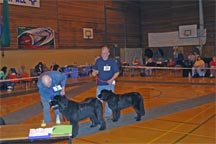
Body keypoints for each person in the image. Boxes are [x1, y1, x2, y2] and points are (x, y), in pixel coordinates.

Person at [92, 45, 119, 118]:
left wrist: (111, 79)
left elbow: (117, 72)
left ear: (108, 53)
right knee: (98, 100)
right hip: (100, 85)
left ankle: (108, 114)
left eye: (104, 53)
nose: (103, 54)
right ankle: (99, 115)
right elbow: (95, 70)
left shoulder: (112, 61)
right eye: (102, 53)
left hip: (109, 85)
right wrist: (94, 72)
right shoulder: (98, 61)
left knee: (109, 101)